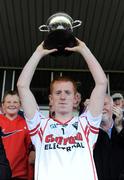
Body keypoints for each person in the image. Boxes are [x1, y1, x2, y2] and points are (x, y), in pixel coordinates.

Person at [17, 38, 107, 180]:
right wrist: (38, 53)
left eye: (68, 92)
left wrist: (84, 50)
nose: (63, 97)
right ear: (51, 99)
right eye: (58, 93)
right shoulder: (40, 126)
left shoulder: (86, 124)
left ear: (76, 99)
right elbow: (22, 86)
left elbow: (102, 83)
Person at [0, 90, 33, 180]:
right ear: (2, 105)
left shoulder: (27, 124)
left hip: (20, 175)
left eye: (15, 102)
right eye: (8, 102)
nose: (12, 104)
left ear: (20, 105)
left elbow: (31, 151)